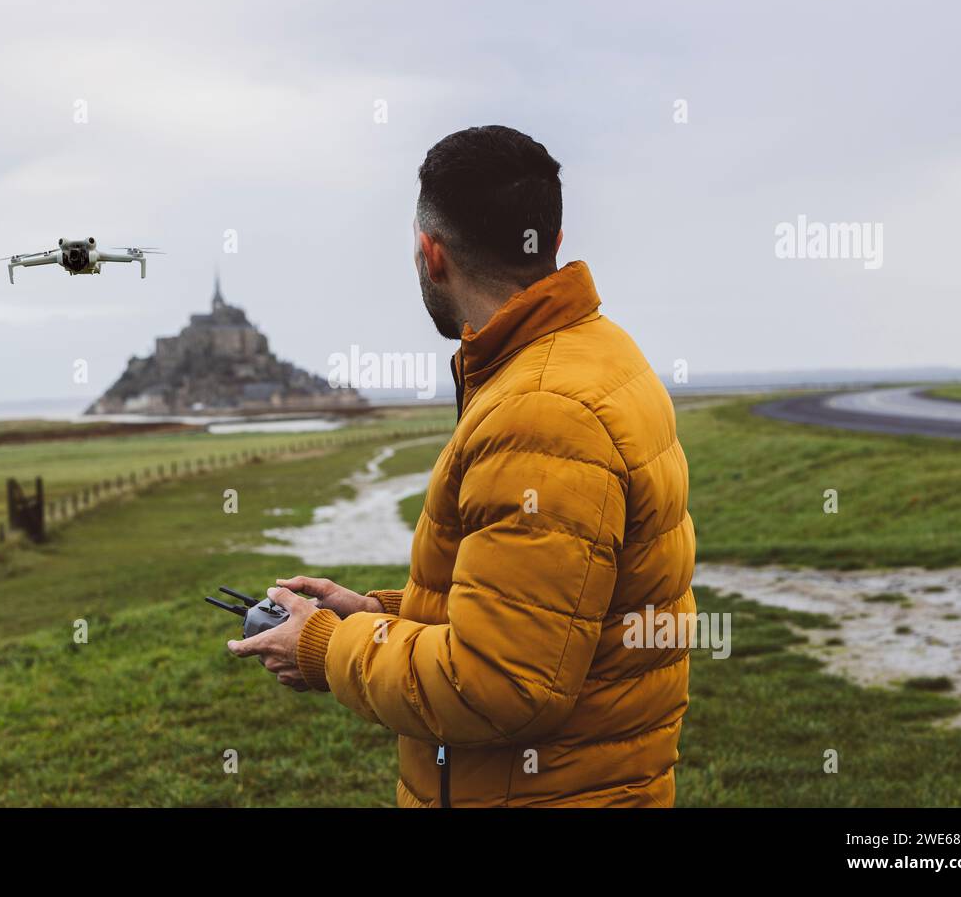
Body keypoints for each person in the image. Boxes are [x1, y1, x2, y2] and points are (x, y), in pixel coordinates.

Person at [229, 125, 695, 807]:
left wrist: (329, 645)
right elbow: (550, 610)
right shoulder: (599, 353)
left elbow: (500, 685)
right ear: (551, 244)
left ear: (431, 254)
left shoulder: (539, 412)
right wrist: (377, 613)